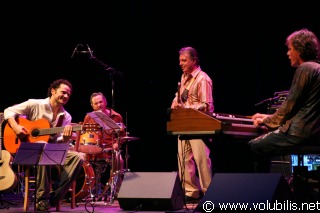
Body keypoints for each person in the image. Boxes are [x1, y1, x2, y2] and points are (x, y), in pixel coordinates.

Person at [3, 79, 85, 211]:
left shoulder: (66, 116)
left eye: (68, 94)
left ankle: (53, 197)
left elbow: (59, 142)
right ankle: (42, 198)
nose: (66, 96)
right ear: (53, 91)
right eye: (63, 92)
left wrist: (65, 138)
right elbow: (8, 110)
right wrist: (16, 126)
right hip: (28, 149)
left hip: (49, 151)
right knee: (43, 146)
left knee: (78, 157)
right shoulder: (35, 104)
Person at [249, 28, 320, 172]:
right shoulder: (317, 68)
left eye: (290, 49)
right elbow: (302, 107)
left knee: (254, 146)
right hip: (315, 133)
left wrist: (267, 121)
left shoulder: (305, 68)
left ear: (299, 50)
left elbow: (289, 106)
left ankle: (261, 191)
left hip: (299, 134)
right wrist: (268, 116)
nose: (288, 53)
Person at [171, 46, 214, 203]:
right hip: (185, 124)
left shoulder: (203, 78)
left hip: (200, 125)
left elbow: (207, 105)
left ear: (194, 61)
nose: (180, 64)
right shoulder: (184, 77)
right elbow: (180, 97)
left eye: (184, 60)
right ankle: (191, 192)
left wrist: (185, 108)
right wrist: (175, 103)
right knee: (184, 159)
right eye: (180, 61)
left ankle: (209, 193)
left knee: (201, 159)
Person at [82, 92, 125, 196]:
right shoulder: (89, 117)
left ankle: (115, 191)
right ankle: (85, 191)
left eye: (101, 102)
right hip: (94, 148)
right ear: (92, 105)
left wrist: (117, 143)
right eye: (96, 103)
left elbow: (122, 135)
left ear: (105, 101)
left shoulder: (116, 116)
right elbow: (84, 134)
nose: (99, 105)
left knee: (119, 160)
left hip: (110, 148)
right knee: (79, 158)